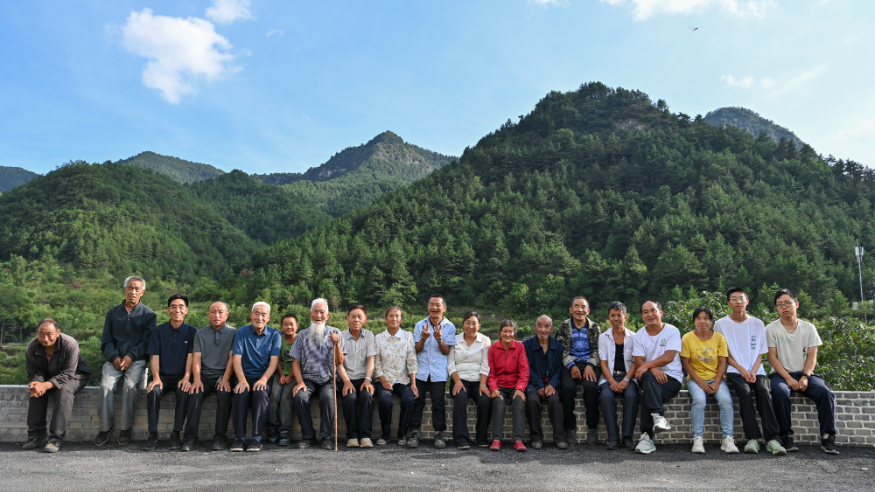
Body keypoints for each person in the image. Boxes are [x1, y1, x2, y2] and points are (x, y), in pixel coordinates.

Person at [714, 287, 786, 455]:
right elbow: (724, 353)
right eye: (734, 299)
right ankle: (752, 438)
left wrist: (752, 371)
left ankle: (771, 439)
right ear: (728, 303)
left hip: (756, 369)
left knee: (763, 391)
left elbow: (760, 352)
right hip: (734, 369)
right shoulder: (721, 324)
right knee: (745, 393)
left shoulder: (757, 323)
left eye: (741, 298)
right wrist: (741, 369)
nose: (738, 302)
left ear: (747, 301)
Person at [766, 288, 839, 455]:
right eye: (779, 305)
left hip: (805, 373)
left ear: (796, 304)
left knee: (824, 392)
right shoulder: (771, 329)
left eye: (787, 303)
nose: (784, 307)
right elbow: (772, 358)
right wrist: (788, 379)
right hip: (781, 375)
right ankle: (786, 436)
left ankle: (828, 437)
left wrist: (806, 376)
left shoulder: (809, 328)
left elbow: (812, 357)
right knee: (779, 392)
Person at [95, 276, 156, 446]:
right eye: (130, 288)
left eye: (137, 289)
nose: (133, 292)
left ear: (142, 292)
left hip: (136, 360)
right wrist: (114, 357)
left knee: (130, 387)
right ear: (125, 290)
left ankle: (126, 427)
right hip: (114, 359)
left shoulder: (149, 315)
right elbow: (106, 340)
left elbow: (146, 342)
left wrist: (130, 356)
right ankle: (106, 427)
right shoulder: (113, 313)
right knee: (105, 386)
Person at [23, 319, 91, 453]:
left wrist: (45, 385)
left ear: (58, 332)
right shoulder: (32, 347)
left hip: (75, 375)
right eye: (41, 334)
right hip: (48, 376)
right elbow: (34, 371)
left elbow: (68, 373)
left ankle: (55, 439)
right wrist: (38, 384)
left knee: (64, 391)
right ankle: (36, 436)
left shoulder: (70, 344)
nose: (45, 338)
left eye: (49, 334)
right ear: (37, 332)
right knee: (36, 391)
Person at [142, 294, 198, 451]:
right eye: (173, 306)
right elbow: (154, 356)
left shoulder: (193, 332)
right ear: (168, 310)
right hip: (162, 376)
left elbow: (191, 357)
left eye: (181, 307)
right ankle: (152, 435)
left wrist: (187, 377)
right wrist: (156, 378)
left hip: (181, 376)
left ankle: (176, 434)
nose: (177, 310)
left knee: (184, 392)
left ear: (186, 310)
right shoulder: (158, 331)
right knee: (153, 392)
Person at [680, 307, 738, 454]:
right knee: (699, 401)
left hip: (716, 378)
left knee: (726, 401)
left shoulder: (719, 338)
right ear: (694, 321)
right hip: (696, 379)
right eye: (698, 318)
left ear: (711, 322)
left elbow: (723, 362)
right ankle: (698, 438)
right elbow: (686, 363)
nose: (702, 321)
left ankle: (728, 438)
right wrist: (700, 382)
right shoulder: (687, 338)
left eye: (706, 318)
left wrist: (717, 381)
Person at [291, 298, 345, 450]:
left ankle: (326, 437)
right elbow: (295, 362)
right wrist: (300, 382)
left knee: (328, 397)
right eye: (316, 312)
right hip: (307, 379)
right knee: (300, 397)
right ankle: (308, 436)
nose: (319, 315)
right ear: (310, 314)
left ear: (327, 315)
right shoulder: (302, 335)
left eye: (322, 312)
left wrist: (336, 344)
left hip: (328, 379)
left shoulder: (336, 333)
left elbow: (340, 361)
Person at [230, 302, 281, 452]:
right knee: (240, 394)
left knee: (261, 394)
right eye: (256, 314)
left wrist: (264, 379)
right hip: (244, 375)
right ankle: (239, 438)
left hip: (263, 376)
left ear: (268, 318)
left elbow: (274, 362)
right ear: (251, 315)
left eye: (263, 315)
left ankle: (256, 438)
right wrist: (241, 380)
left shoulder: (275, 334)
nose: (259, 317)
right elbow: (236, 358)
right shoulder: (242, 332)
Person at [632, 301, 683, 454]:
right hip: (650, 378)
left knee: (647, 395)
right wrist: (653, 369)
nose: (650, 314)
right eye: (645, 312)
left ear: (660, 313)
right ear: (642, 316)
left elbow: (669, 356)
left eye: (653, 310)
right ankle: (658, 416)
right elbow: (639, 361)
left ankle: (646, 437)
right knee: (648, 378)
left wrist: (647, 366)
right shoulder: (639, 335)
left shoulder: (672, 331)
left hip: (671, 379)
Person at [186, 301, 237, 451]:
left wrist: (226, 379)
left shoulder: (234, 333)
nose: (217, 315)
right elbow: (196, 359)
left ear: (227, 315)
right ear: (208, 314)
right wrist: (196, 380)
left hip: (223, 375)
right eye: (213, 312)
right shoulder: (200, 334)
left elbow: (232, 358)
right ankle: (190, 438)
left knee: (224, 394)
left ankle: (220, 437)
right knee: (194, 394)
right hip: (204, 375)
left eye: (220, 312)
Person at [409, 295, 457, 449]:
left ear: (444, 308)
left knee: (438, 402)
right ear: (428, 307)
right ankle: (414, 432)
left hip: (439, 371)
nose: (434, 308)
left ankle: (439, 433)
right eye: (431, 304)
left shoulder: (450, 327)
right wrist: (423, 339)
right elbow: (415, 350)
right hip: (421, 370)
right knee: (417, 400)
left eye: (438, 305)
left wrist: (439, 339)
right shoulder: (420, 325)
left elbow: (446, 351)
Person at [556, 296, 602, 446]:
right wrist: (571, 365)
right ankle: (569, 428)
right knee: (567, 389)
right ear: (571, 309)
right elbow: (561, 349)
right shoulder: (564, 326)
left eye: (583, 307)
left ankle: (592, 428)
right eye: (576, 306)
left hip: (590, 363)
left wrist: (590, 365)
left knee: (591, 388)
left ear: (588, 310)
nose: (580, 310)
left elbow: (598, 349)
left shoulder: (594, 327)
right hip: (570, 363)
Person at [373, 306, 418, 446]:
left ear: (401, 319)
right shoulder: (378, 338)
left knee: (409, 400)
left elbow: (412, 360)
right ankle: (386, 433)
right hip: (384, 379)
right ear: (386, 318)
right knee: (385, 401)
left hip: (403, 380)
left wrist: (413, 384)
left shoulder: (408, 336)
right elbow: (376, 362)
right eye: (391, 316)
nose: (394, 319)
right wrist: (383, 380)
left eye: (397, 316)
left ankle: (402, 433)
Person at [597, 302, 638, 450]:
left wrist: (626, 380)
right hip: (609, 377)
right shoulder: (603, 337)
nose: (616, 318)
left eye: (619, 315)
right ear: (608, 317)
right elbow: (603, 363)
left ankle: (627, 437)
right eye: (612, 315)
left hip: (629, 377)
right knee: (605, 397)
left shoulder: (634, 337)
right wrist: (612, 381)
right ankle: (613, 438)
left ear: (625, 317)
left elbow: (637, 362)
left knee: (632, 396)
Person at [448, 311, 492, 449]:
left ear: (479, 326)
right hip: (460, 380)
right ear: (463, 324)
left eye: (474, 323)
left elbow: (486, 364)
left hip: (479, 381)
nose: (470, 326)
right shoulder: (454, 339)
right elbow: (450, 363)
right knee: (460, 398)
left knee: (485, 400)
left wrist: (483, 384)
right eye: (468, 323)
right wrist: (457, 381)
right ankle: (461, 439)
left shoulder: (485, 340)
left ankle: (481, 437)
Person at [523, 315, 567, 450]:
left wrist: (552, 384)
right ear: (535, 327)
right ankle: (536, 438)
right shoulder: (526, 345)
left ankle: (560, 438)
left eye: (546, 326)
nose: (543, 330)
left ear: (551, 329)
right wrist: (539, 386)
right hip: (533, 383)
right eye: (540, 326)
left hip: (552, 383)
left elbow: (560, 367)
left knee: (554, 400)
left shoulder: (558, 346)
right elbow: (527, 367)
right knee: (532, 400)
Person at [337, 304, 377, 448]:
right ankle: (352, 436)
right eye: (353, 316)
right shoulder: (340, 336)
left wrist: (368, 380)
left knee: (367, 396)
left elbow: (371, 360)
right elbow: (339, 363)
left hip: (364, 377)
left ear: (365, 319)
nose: (356, 320)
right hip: (346, 378)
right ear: (348, 319)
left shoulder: (369, 335)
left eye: (360, 317)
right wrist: (346, 381)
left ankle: (365, 436)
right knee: (350, 398)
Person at [488, 320, 529, 452]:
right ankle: (497, 439)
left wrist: (520, 388)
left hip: (515, 384)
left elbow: (524, 370)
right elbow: (491, 371)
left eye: (510, 331)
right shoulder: (493, 348)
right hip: (499, 384)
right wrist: (493, 388)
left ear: (514, 333)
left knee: (519, 401)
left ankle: (518, 439)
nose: (507, 334)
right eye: (505, 331)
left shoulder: (520, 347)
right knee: (498, 402)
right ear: (499, 333)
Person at [266, 313, 298, 446]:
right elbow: (277, 360)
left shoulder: (300, 339)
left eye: (291, 324)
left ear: (297, 326)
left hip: (295, 374)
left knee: (286, 397)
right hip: (280, 374)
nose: (288, 327)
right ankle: (272, 427)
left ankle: (285, 430)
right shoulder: (279, 338)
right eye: (285, 324)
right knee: (274, 395)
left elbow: (300, 361)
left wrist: (290, 376)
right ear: (282, 326)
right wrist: (281, 375)